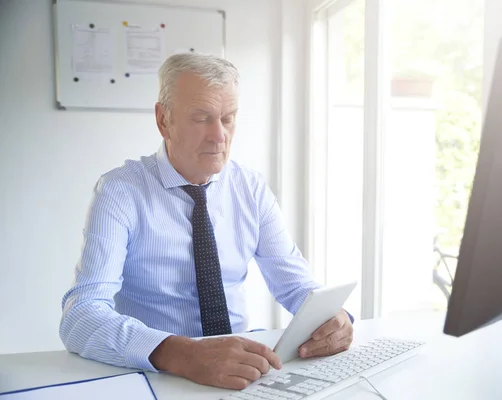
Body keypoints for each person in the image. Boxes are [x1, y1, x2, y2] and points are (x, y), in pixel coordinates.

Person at [59, 53, 354, 390]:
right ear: (163, 120)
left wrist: (333, 319)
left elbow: (297, 286)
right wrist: (184, 354)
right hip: (159, 378)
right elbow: (80, 316)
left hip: (242, 375)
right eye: (201, 118)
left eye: (228, 118)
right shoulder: (120, 191)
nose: (219, 136)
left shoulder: (250, 187)